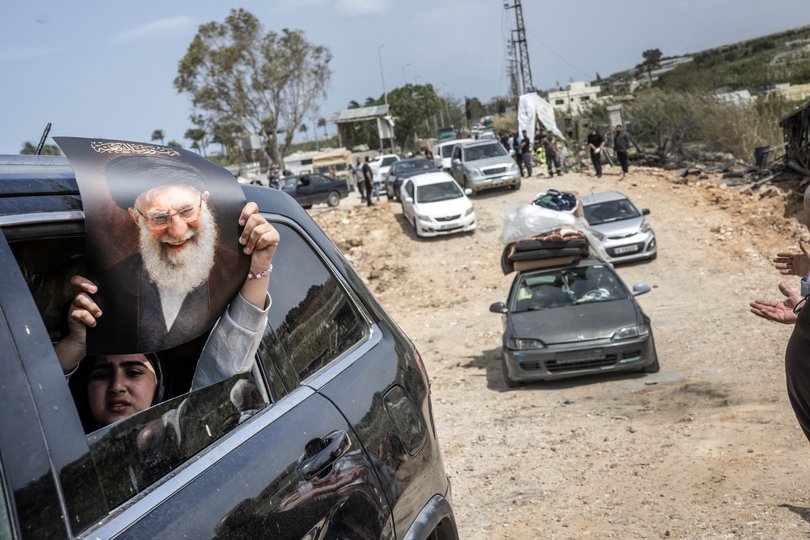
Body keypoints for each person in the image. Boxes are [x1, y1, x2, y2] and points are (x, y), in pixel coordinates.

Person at [56, 202, 278, 428]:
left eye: (133, 372)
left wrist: (259, 268)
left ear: (160, 382)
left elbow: (223, 369)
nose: (117, 386)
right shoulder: (56, 442)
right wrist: (76, 344)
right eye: (101, 374)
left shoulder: (180, 435)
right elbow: (33, 401)